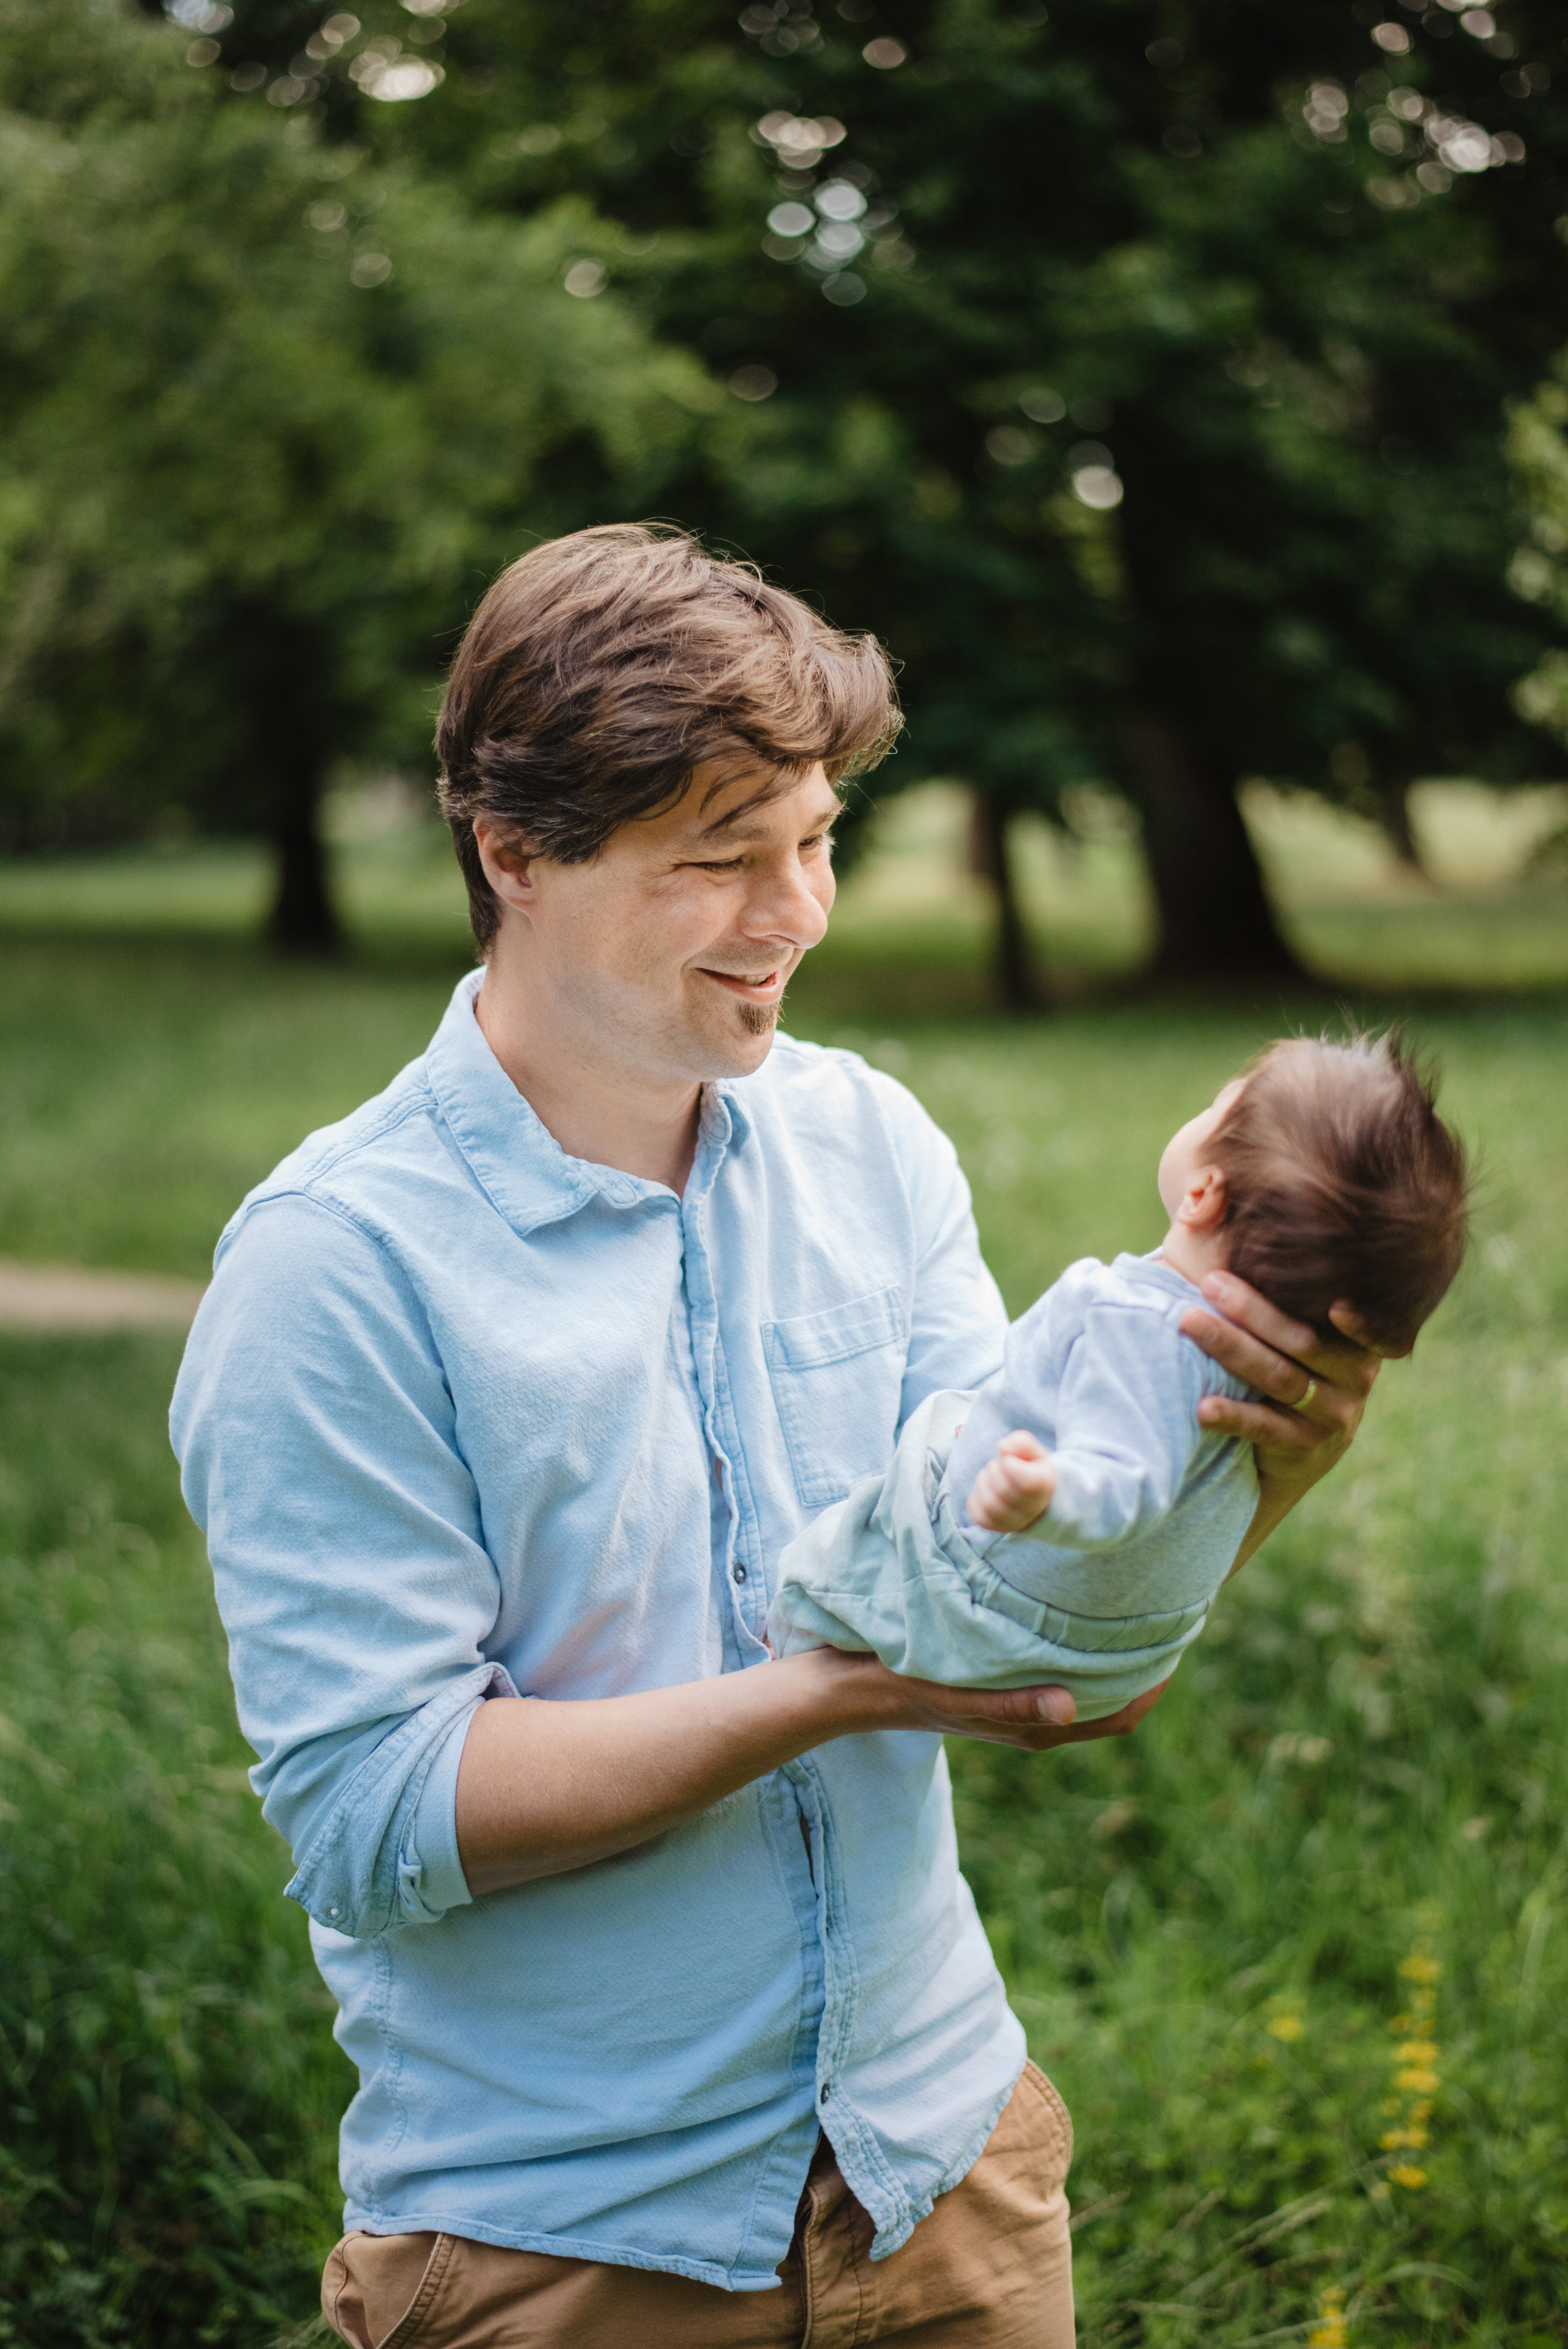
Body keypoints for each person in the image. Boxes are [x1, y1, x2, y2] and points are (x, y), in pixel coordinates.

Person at [170, 525, 1381, 2349]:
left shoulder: (868, 1144)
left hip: (947, 2173)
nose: (798, 910)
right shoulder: (335, 1269)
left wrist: (1237, 1484)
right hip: (568, 2243)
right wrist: (824, 1694)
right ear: (513, 855)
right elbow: (377, 1813)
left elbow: (1035, 1660)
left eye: (816, 839)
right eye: (720, 857)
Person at [771, 1034, 1468, 1715]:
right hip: (1126, 1653)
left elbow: (1125, 1479)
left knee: (868, 1520)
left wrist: (1051, 1493)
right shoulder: (1261, 1371)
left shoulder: (1138, 1322)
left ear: (1202, 1193)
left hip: (993, 1596)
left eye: (1216, 1107)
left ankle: (790, 1632)